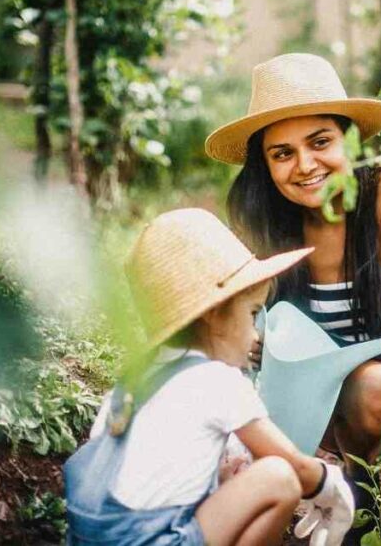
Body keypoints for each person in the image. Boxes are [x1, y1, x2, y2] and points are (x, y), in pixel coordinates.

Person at [205, 53, 381, 542]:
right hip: (341, 401)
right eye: (282, 153)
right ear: (265, 166)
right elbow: (226, 328)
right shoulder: (264, 227)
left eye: (320, 142)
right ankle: (357, 503)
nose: (305, 166)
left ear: (349, 139)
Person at [64, 208, 355, 546]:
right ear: (216, 315)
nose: (255, 335)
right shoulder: (217, 381)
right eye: (251, 314)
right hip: (149, 540)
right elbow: (295, 467)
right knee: (279, 479)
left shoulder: (134, 380)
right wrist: (331, 486)